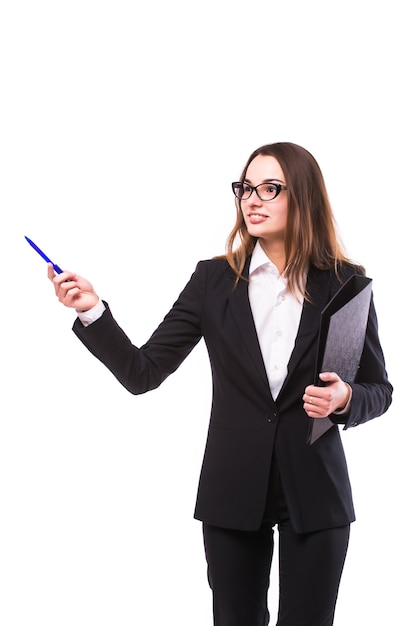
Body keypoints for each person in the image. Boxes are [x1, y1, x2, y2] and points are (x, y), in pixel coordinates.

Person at [48, 142, 393, 626]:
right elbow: (142, 372)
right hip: (233, 486)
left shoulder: (345, 283)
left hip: (317, 490)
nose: (252, 199)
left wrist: (346, 398)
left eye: (270, 188)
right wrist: (91, 309)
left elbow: (380, 388)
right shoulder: (213, 280)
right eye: (246, 188)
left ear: (305, 198)